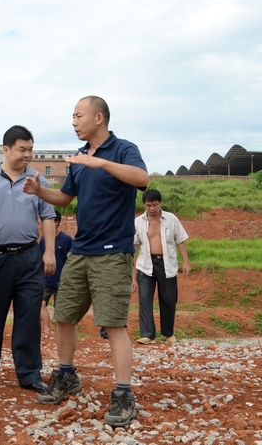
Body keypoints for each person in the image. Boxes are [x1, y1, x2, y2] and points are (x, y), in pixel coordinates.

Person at [22, 95, 149, 428]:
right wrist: (38, 191)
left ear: (99, 118)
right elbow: (64, 198)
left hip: (112, 252)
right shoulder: (79, 159)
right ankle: (66, 377)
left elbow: (141, 179)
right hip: (80, 251)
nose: (74, 121)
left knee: (114, 325)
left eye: (78, 115)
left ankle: (123, 395)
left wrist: (101, 163)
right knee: (64, 316)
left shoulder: (122, 150)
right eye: (72, 116)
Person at [0, 125, 56, 393]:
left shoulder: (37, 179)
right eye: (22, 149)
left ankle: (30, 373)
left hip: (29, 257)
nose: (28, 154)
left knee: (29, 317)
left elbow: (48, 217)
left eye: (31, 149)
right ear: (6, 150)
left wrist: (49, 250)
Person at [133, 189, 190, 345]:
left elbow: (181, 241)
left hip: (167, 264)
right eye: (148, 205)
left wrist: (185, 261)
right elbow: (134, 249)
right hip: (145, 265)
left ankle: (168, 333)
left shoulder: (171, 219)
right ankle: (147, 334)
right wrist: (133, 276)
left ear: (160, 203)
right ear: (144, 204)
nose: (152, 208)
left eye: (155, 204)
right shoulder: (138, 222)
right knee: (144, 300)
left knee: (168, 300)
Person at [40, 211, 73, 335]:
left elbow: (72, 260)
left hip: (62, 280)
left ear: (57, 223)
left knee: (60, 309)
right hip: (46, 280)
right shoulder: (43, 240)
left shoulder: (67, 240)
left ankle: (61, 332)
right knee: (41, 304)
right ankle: (47, 329)